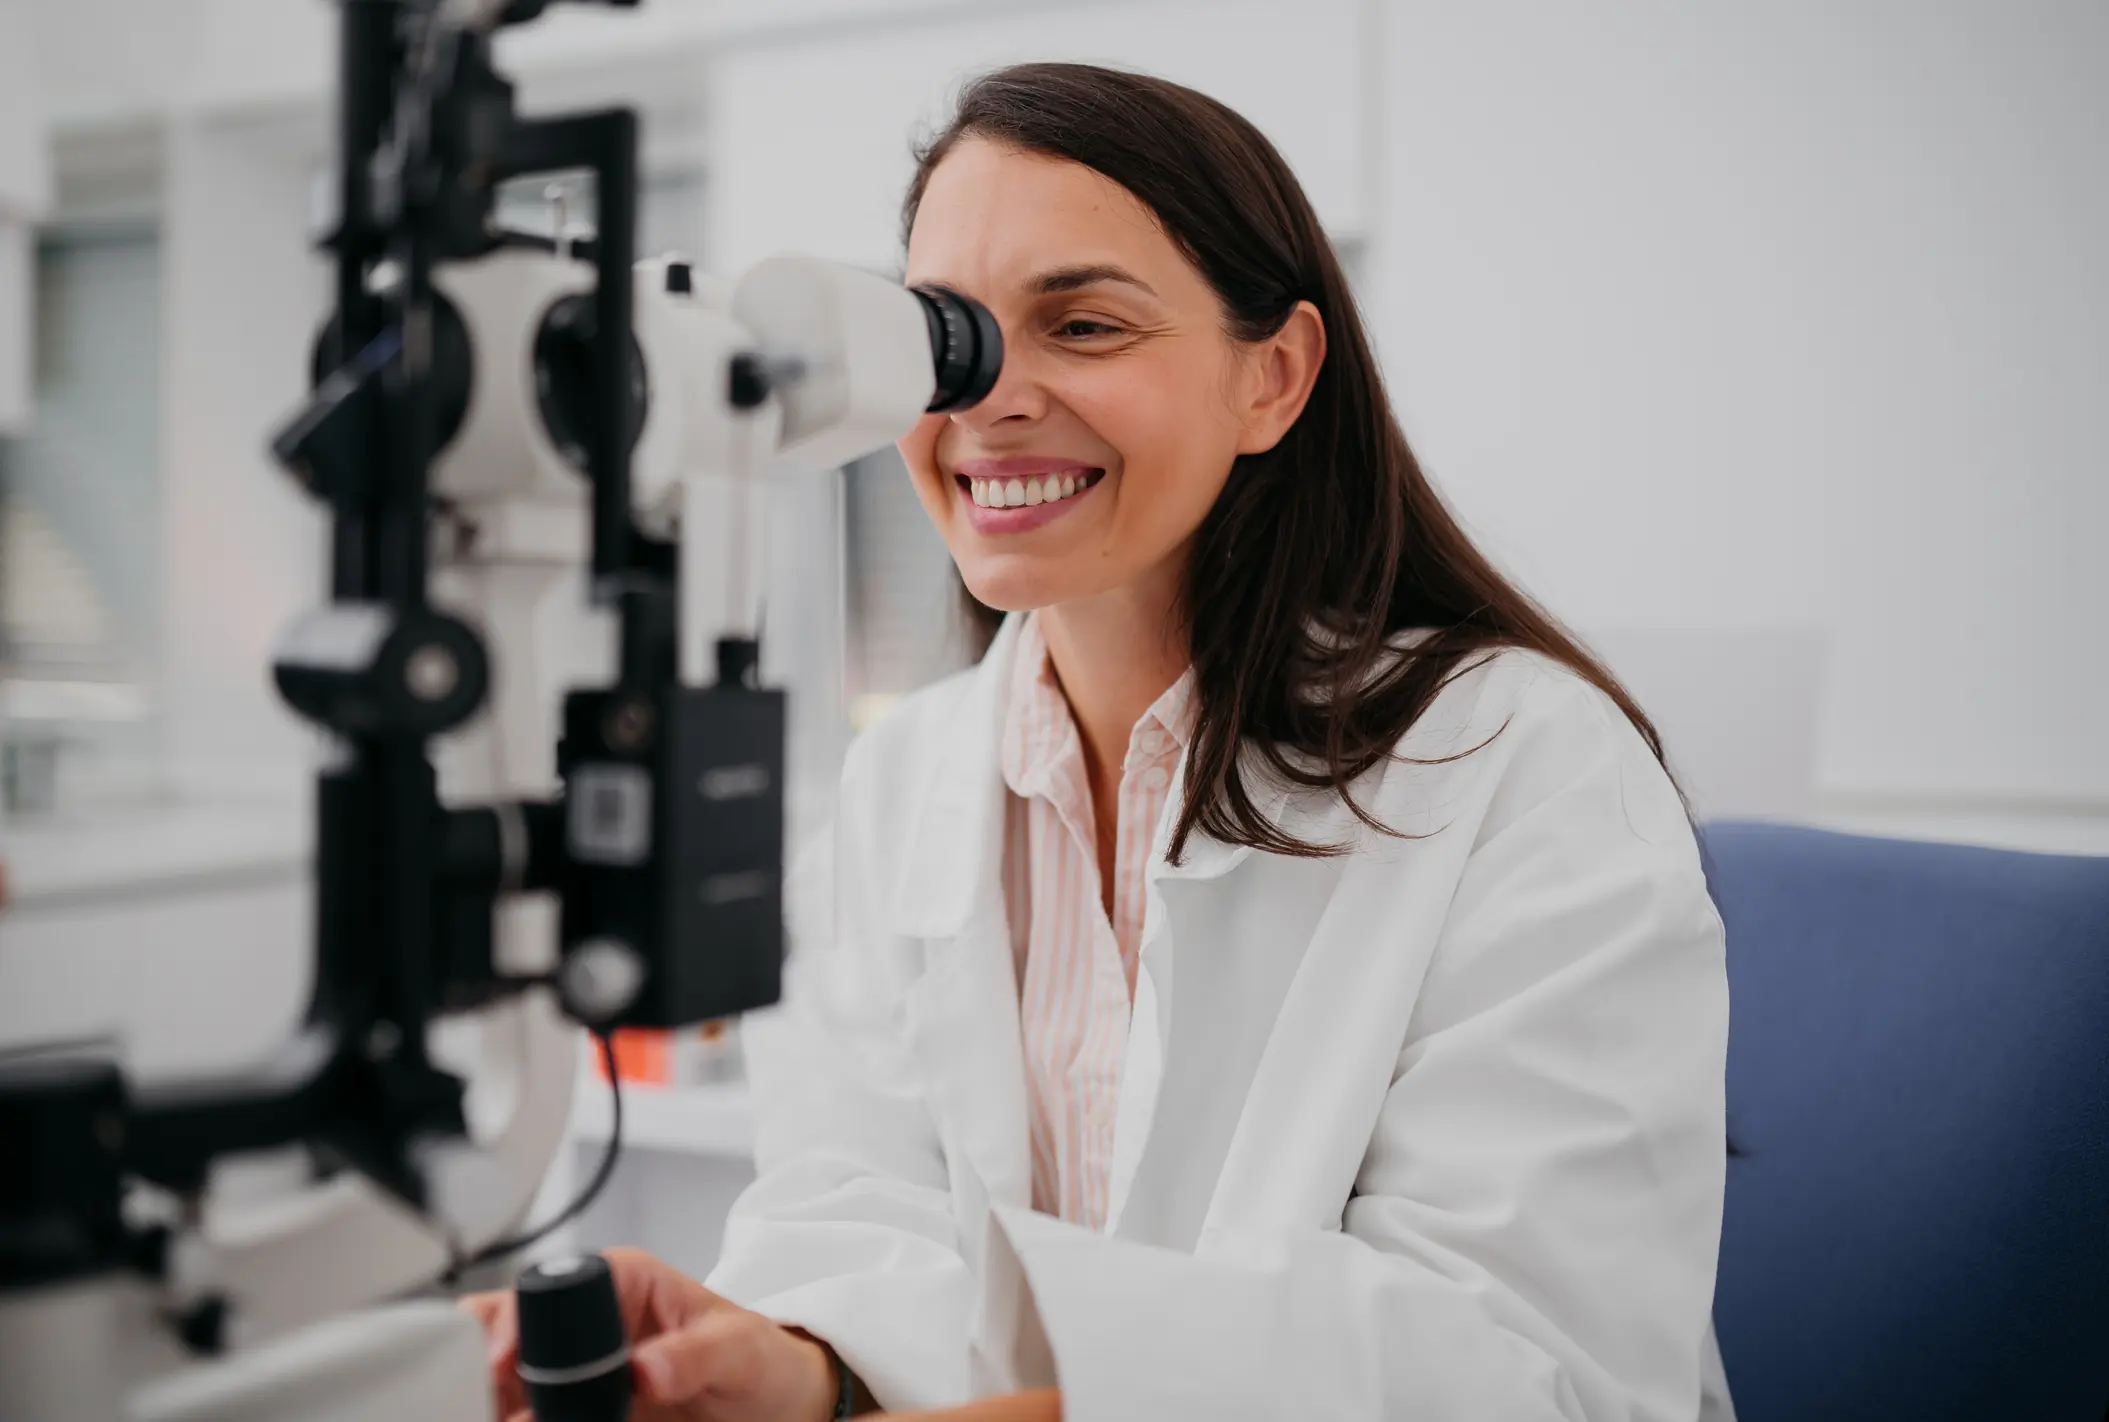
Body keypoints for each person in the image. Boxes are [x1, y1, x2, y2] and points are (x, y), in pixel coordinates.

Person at [468, 62, 1733, 1422]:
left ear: (1276, 375)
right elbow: (859, 1218)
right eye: (945, 336)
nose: (991, 399)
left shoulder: (1526, 771)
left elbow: (1519, 1374)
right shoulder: (903, 784)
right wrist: (791, 1366)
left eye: (1082, 324)